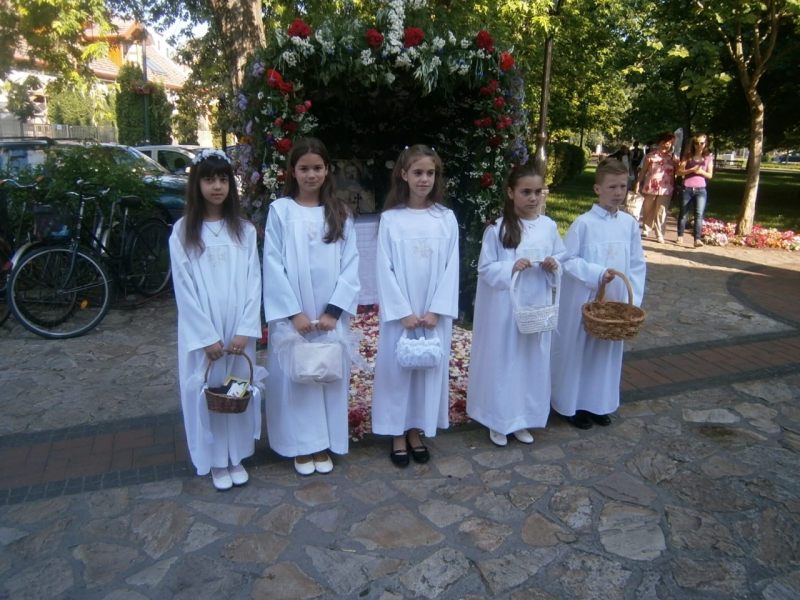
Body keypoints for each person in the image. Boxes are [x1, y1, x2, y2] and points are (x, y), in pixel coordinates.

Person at [262, 137, 360, 476]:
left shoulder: (340, 213)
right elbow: (272, 265)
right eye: (304, 168)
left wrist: (334, 311)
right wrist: (294, 314)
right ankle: (300, 445)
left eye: (317, 168)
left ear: (327, 170)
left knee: (326, 374)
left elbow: (351, 264)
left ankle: (325, 442)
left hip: (329, 316)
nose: (311, 175)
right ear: (292, 171)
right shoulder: (281, 211)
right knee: (297, 378)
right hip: (295, 315)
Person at [169, 148, 264, 491]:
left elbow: (254, 282)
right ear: (197, 184)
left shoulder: (243, 230)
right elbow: (183, 288)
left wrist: (245, 329)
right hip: (205, 331)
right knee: (208, 391)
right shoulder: (183, 232)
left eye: (223, 179)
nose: (217, 186)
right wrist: (205, 336)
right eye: (209, 179)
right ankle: (213, 460)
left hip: (237, 330)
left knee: (235, 392)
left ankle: (236, 455)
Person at [371, 145, 459, 467]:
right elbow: (383, 268)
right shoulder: (391, 220)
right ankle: (397, 432)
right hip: (403, 314)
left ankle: (415, 430)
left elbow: (452, 267)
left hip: (433, 313)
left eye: (430, 173)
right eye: (418, 172)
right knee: (398, 371)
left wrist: (437, 310)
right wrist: (402, 312)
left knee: (426, 370)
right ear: (404, 175)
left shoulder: (445, 218)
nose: (424, 179)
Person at [467, 165, 566, 446]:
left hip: (537, 306)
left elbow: (562, 257)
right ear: (511, 193)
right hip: (507, 311)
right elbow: (486, 268)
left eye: (537, 192)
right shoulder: (498, 229)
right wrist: (510, 267)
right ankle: (498, 419)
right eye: (525, 192)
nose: (533, 198)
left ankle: (523, 417)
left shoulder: (548, 226)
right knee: (505, 363)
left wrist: (554, 264)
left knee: (531, 363)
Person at [551, 158, 646, 429]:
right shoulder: (584, 224)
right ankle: (571, 405)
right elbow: (567, 260)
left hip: (615, 305)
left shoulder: (629, 224)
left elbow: (637, 263)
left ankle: (598, 403)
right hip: (586, 301)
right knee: (579, 352)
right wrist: (596, 274)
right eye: (612, 187)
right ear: (597, 189)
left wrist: (631, 300)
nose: (618, 192)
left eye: (623, 187)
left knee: (605, 355)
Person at [634, 132, 677, 243]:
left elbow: (679, 172)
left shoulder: (674, 157)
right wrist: (637, 183)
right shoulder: (651, 156)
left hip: (666, 188)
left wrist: (675, 164)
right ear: (659, 143)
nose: (665, 145)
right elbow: (643, 171)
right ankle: (646, 228)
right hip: (651, 186)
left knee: (661, 211)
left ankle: (659, 234)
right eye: (663, 142)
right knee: (648, 208)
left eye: (668, 143)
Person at [676, 134, 714, 248]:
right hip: (687, 188)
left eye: (702, 143)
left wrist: (701, 172)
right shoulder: (688, 156)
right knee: (683, 213)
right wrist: (691, 170)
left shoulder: (708, 158)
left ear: (705, 144)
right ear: (693, 144)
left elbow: (710, 175)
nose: (699, 145)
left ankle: (697, 239)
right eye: (697, 143)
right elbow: (679, 172)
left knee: (699, 214)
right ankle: (680, 235)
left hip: (701, 190)